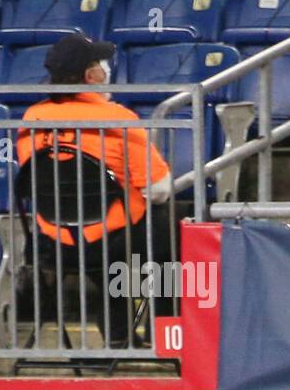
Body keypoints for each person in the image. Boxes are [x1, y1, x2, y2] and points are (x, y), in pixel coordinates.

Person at [15, 33, 176, 347]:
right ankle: (164, 333)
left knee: (105, 241)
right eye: (100, 63)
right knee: (173, 224)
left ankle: (120, 336)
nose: (106, 68)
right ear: (90, 75)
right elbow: (158, 190)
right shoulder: (117, 118)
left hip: (53, 238)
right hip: (113, 239)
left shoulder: (32, 117)